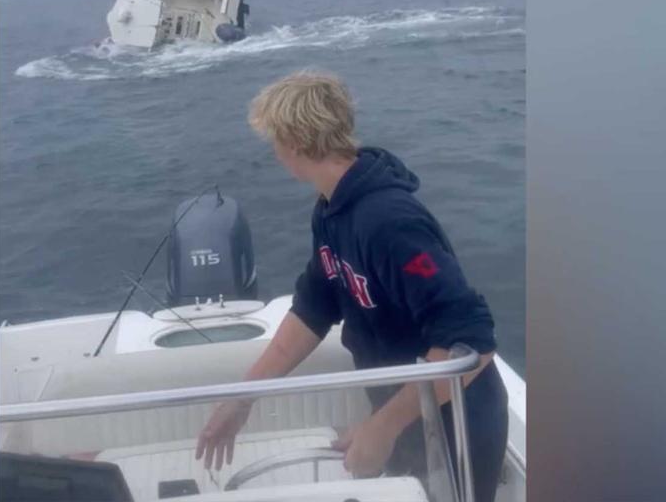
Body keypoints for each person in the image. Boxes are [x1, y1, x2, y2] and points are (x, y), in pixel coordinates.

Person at [196, 70, 508, 501]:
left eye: (274, 139)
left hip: (456, 421)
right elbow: (314, 307)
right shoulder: (330, 209)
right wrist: (243, 398)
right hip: (405, 413)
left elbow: (471, 340)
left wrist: (383, 426)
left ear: (294, 143)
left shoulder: (389, 222)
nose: (274, 151)